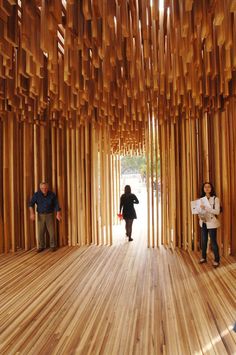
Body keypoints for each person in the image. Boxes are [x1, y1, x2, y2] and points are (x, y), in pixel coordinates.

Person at [29, 182, 62, 252]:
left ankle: (53, 246)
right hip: (40, 215)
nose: (44, 189)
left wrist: (58, 214)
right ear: (40, 188)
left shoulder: (52, 195)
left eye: (45, 188)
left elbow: (56, 204)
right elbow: (31, 204)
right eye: (42, 188)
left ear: (48, 188)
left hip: (49, 215)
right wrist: (32, 214)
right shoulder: (36, 195)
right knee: (40, 232)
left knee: (52, 232)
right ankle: (41, 246)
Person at [198, 182, 220, 267]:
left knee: (213, 242)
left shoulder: (215, 199)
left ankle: (217, 260)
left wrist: (206, 208)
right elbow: (199, 211)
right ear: (203, 189)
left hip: (212, 223)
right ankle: (203, 258)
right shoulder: (201, 199)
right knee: (204, 241)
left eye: (209, 187)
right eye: (205, 187)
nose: (207, 188)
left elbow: (217, 211)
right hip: (203, 222)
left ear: (211, 189)